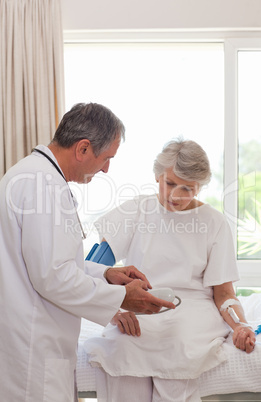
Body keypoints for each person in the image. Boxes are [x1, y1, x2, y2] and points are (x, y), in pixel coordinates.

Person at [0, 103, 175, 402]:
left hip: (37, 338)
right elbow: (53, 277)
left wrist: (107, 273)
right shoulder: (42, 186)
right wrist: (122, 297)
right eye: (106, 158)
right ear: (83, 149)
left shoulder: (38, 177)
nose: (106, 168)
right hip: (34, 347)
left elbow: (53, 261)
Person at [84, 138, 256, 402]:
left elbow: (224, 294)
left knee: (179, 349)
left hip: (192, 312)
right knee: (121, 347)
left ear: (200, 187)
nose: (177, 195)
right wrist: (114, 311)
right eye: (171, 184)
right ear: (157, 176)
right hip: (141, 308)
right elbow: (93, 269)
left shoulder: (214, 222)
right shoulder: (136, 211)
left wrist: (240, 325)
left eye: (188, 188)